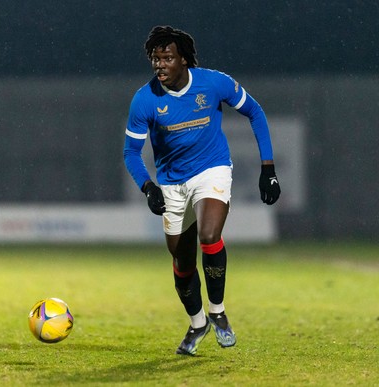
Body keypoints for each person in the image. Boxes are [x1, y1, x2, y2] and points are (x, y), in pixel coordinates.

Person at [123, 26, 280, 356]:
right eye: (155, 59)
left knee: (209, 236)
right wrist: (148, 186)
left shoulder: (212, 82)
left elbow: (255, 111)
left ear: (183, 60)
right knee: (181, 262)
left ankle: (218, 312)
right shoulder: (145, 99)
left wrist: (268, 167)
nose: (160, 65)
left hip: (212, 170)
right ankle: (198, 324)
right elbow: (131, 153)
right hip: (171, 183)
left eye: (167, 58)